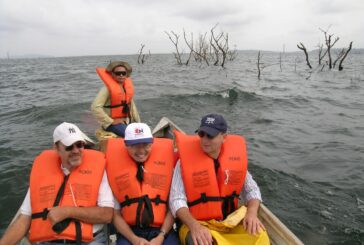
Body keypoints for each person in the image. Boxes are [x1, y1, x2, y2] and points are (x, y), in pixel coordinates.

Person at [0, 122, 114, 245]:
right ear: (56, 148)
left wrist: (68, 212)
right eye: (69, 147)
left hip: (90, 240)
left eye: (80, 145)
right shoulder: (42, 174)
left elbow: (107, 215)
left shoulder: (98, 169)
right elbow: (24, 218)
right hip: (49, 241)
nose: (76, 151)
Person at [169, 114, 269, 245]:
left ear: (224, 137)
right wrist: (194, 226)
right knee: (201, 242)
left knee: (260, 236)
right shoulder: (184, 162)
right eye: (202, 134)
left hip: (228, 222)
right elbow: (176, 200)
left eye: (210, 135)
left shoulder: (234, 161)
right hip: (196, 223)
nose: (204, 140)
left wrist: (251, 213)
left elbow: (252, 190)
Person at [105, 123, 180, 245]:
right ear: (126, 145)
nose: (141, 151)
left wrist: (161, 237)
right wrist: (134, 239)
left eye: (146, 145)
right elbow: (115, 214)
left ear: (152, 143)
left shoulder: (168, 167)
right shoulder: (112, 170)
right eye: (135, 145)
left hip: (163, 231)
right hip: (130, 232)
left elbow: (173, 207)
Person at [91, 61, 141, 138]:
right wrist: (111, 121)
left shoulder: (126, 89)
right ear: (112, 75)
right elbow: (95, 107)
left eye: (123, 73)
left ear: (126, 75)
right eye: (118, 73)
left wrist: (139, 123)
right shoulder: (107, 89)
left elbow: (132, 108)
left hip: (125, 121)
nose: (121, 75)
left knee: (142, 133)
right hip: (111, 124)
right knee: (133, 135)